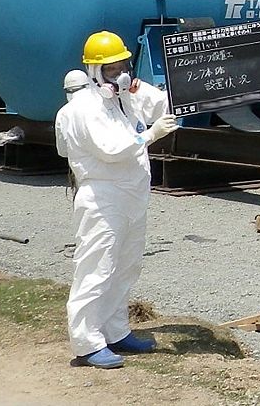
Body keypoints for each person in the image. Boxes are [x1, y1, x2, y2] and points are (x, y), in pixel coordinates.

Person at [54, 30, 178, 369]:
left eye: (124, 65)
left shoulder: (124, 98)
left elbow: (166, 104)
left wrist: (184, 80)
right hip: (103, 198)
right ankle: (86, 343)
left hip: (132, 196)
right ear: (94, 73)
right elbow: (111, 151)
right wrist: (151, 134)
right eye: (111, 69)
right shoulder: (85, 109)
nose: (120, 74)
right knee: (96, 270)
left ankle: (116, 330)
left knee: (126, 266)